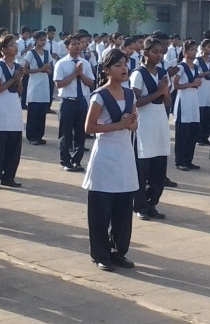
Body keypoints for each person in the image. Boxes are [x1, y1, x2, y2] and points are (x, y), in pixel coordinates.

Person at [83, 48, 140, 271]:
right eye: (118, 65)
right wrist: (120, 125)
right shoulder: (100, 95)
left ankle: (119, 251)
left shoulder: (130, 94)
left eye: (125, 64)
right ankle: (100, 254)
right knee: (101, 209)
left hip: (125, 154)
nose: (124, 68)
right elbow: (89, 127)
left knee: (123, 208)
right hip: (106, 155)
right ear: (107, 70)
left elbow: (134, 124)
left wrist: (131, 123)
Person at [131, 37, 172, 220]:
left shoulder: (163, 73)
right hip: (145, 123)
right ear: (145, 53)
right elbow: (136, 102)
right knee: (143, 167)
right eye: (155, 52)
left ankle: (152, 202)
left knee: (159, 166)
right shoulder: (138, 74)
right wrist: (158, 92)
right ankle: (139, 205)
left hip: (160, 122)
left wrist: (165, 94)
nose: (159, 55)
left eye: (161, 52)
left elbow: (167, 101)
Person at [0, 34, 26, 189]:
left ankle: (9, 176)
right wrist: (13, 79)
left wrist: (19, 79)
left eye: (15, 44)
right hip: (2, 108)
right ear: (3, 49)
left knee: (14, 145)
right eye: (11, 45)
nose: (15, 47)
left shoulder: (17, 66)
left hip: (14, 108)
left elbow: (20, 91)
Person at [54, 35, 94, 171]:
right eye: (74, 44)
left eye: (79, 43)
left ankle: (77, 160)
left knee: (80, 133)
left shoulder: (85, 63)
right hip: (68, 101)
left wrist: (81, 74)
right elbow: (58, 84)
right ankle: (65, 161)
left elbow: (91, 83)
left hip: (81, 101)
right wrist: (74, 74)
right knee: (66, 133)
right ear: (67, 47)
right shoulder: (61, 63)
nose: (77, 46)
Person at [173, 39, 203, 170]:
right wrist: (191, 84)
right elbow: (176, 85)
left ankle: (188, 159)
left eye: (196, 50)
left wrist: (196, 84)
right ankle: (180, 161)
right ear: (185, 52)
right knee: (182, 133)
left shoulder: (195, 67)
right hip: (183, 101)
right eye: (192, 50)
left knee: (192, 131)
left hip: (193, 100)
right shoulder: (181, 67)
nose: (194, 52)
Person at [23, 30, 53, 145]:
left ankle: (39, 135)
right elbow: (25, 70)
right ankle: (32, 136)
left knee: (42, 112)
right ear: (36, 40)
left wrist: (48, 70)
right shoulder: (31, 53)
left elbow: (50, 69)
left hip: (44, 85)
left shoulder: (47, 53)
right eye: (41, 40)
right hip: (34, 85)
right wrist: (40, 69)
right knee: (33, 112)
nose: (43, 42)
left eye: (44, 40)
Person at [196, 39, 210, 147]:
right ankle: (199, 137)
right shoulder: (198, 60)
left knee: (209, 114)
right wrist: (208, 73)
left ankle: (205, 136)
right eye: (208, 47)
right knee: (201, 114)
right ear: (202, 48)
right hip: (201, 89)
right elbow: (197, 74)